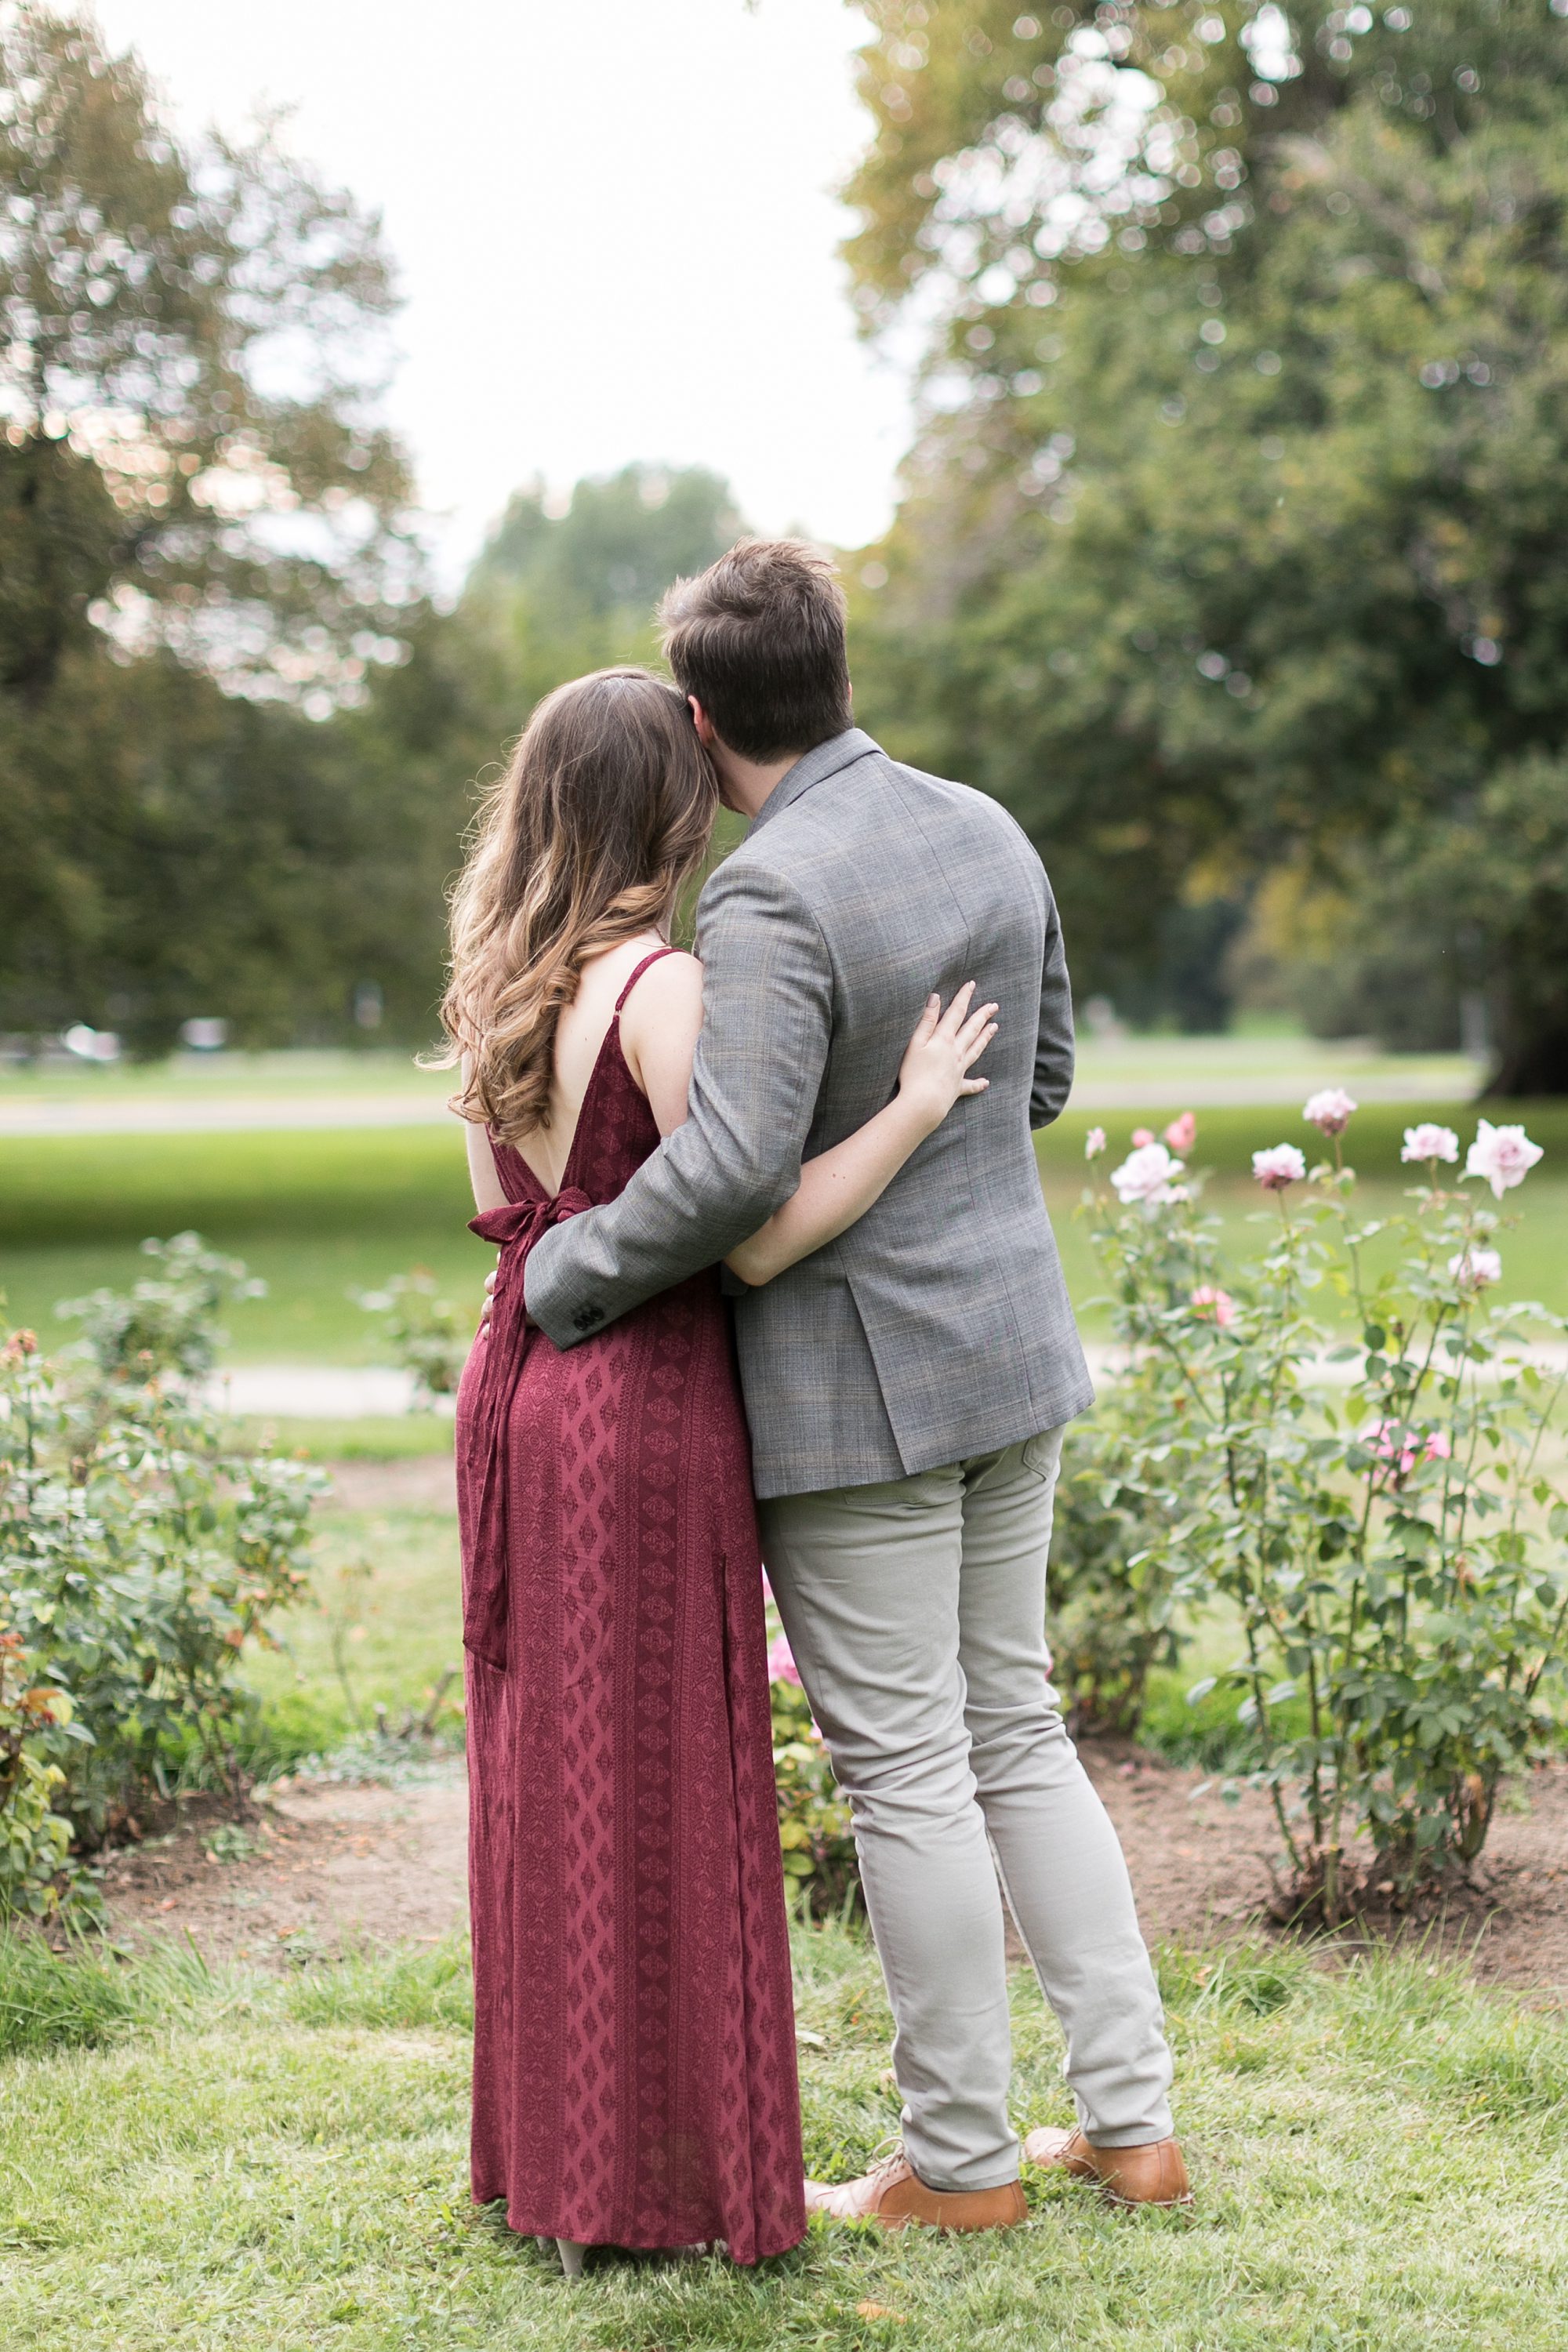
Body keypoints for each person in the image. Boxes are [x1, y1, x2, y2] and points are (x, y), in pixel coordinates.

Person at [524, 540, 1188, 2231]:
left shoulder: (766, 893)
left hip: (855, 1392)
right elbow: (1040, 1078)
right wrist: (915, 1122)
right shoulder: (986, 826)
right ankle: (1133, 2128)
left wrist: (564, 1272)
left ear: (697, 719)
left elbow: (736, 1172)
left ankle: (959, 2164)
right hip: (1014, 1353)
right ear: (837, 674)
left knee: (906, 1770)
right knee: (1018, 1728)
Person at [438, 664, 1000, 2274]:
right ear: (669, 811)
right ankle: (655, 2188)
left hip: (519, 1388)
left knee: (551, 1782)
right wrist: (908, 1112)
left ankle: (561, 2171)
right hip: (642, 1404)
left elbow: (521, 1217)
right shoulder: (660, 989)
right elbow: (746, 1221)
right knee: (659, 1791)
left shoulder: (499, 989)